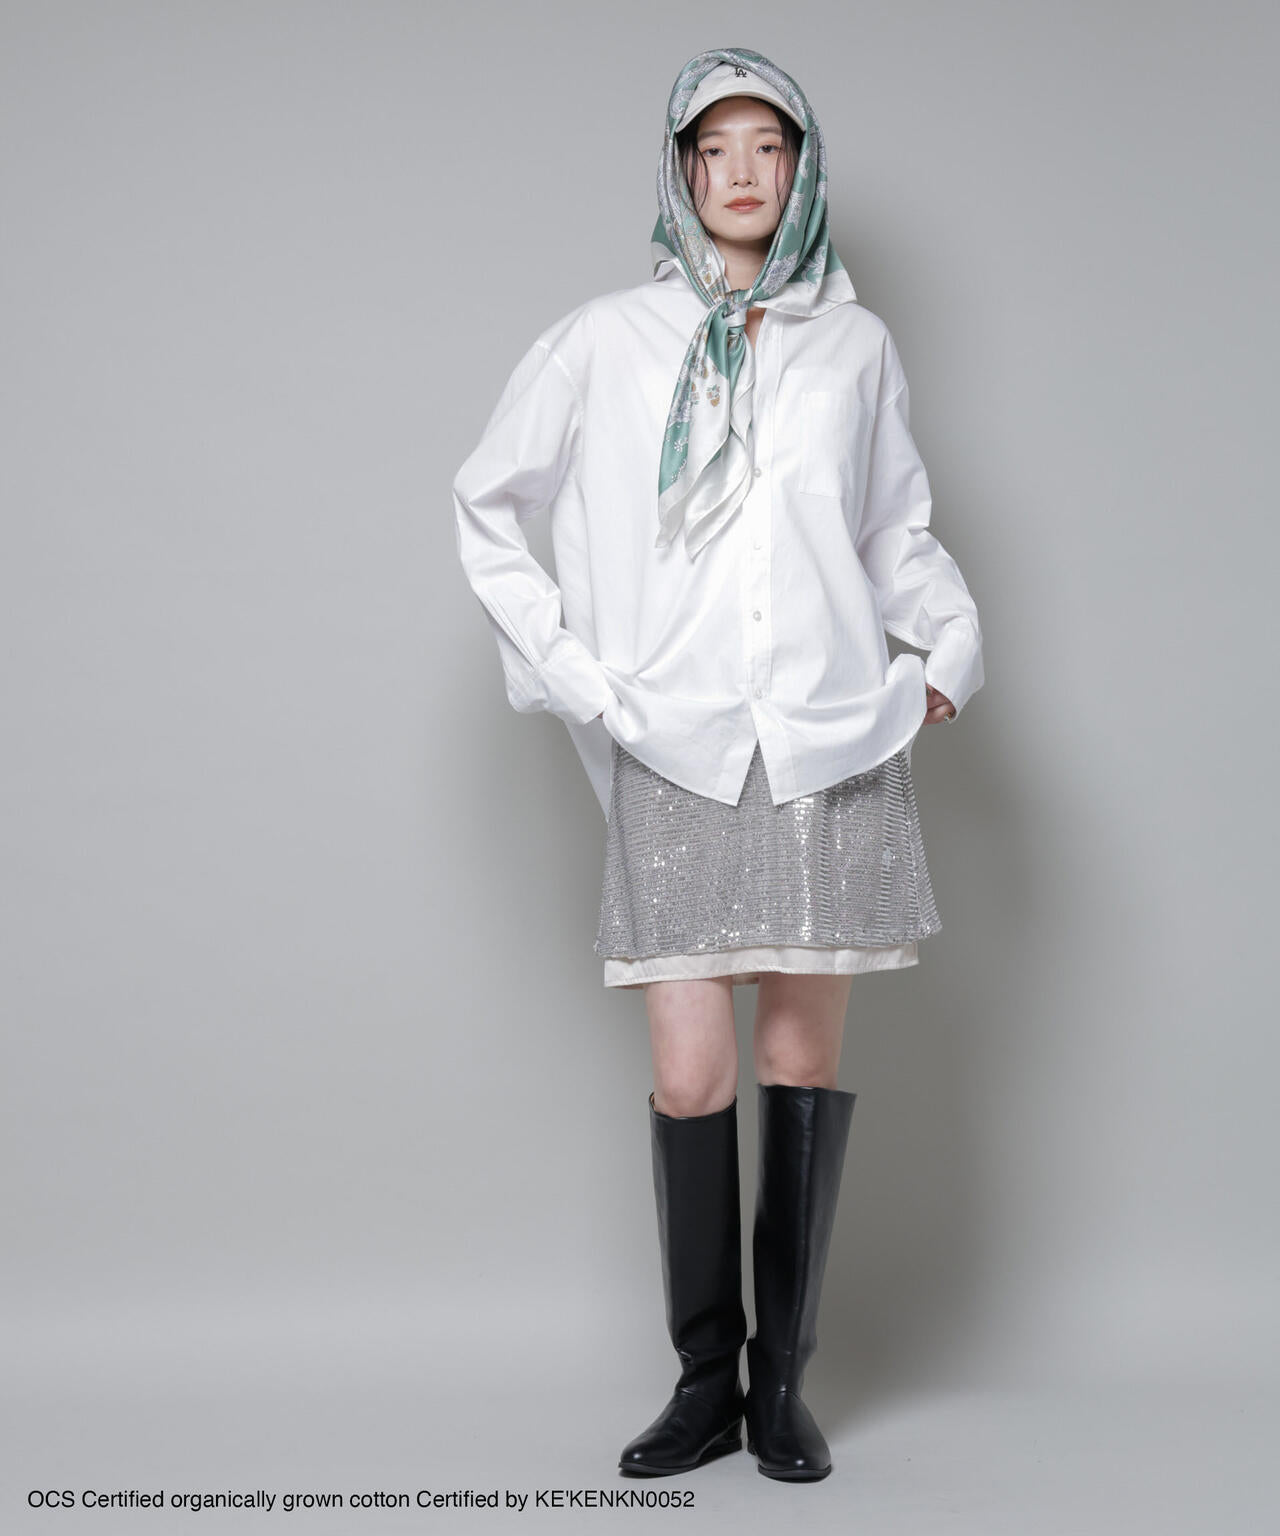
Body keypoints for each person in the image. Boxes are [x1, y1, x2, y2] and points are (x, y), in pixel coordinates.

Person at [452, 47, 984, 1483]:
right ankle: (702, 1382)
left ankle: (780, 1386)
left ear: (802, 171)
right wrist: (579, 674)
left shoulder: (855, 347)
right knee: (692, 1072)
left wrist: (947, 639)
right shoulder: (604, 340)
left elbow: (890, 531)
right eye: (716, 149)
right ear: (682, 170)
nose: (743, 172)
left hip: (826, 738)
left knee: (798, 1062)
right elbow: (487, 505)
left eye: (770, 147)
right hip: (676, 741)